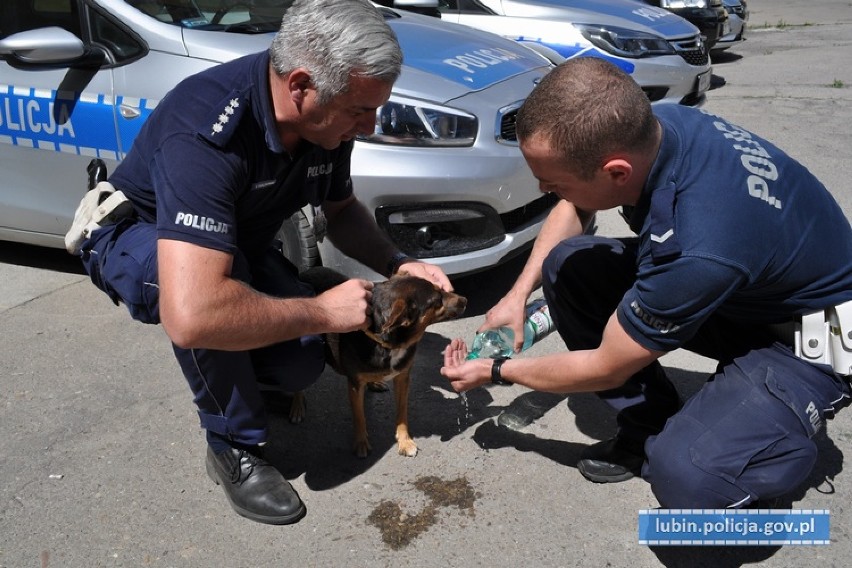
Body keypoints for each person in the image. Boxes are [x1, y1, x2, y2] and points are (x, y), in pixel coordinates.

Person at [66, 0, 451, 525]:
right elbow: (195, 311)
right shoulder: (205, 130)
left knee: (299, 363)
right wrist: (320, 312)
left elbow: (340, 212)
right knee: (205, 303)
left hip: (237, 246)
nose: (370, 124)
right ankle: (232, 443)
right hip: (138, 238)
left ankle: (246, 373)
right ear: (300, 86)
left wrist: (399, 262)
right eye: (361, 110)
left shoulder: (327, 122)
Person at [441, 57, 852, 509]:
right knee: (570, 265)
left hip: (819, 336)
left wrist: (497, 370)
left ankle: (769, 442)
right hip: (745, 287)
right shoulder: (662, 125)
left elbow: (607, 366)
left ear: (617, 171)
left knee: (687, 476)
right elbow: (576, 206)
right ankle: (651, 425)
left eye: (551, 181)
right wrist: (516, 297)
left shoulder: (701, 245)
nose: (543, 189)